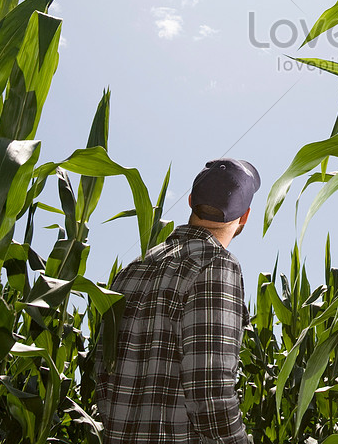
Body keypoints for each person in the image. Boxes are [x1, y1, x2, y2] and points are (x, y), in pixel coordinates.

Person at [96, 158, 260, 444]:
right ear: (244, 217)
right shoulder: (216, 265)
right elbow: (210, 395)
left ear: (190, 201)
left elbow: (102, 373)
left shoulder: (131, 270)